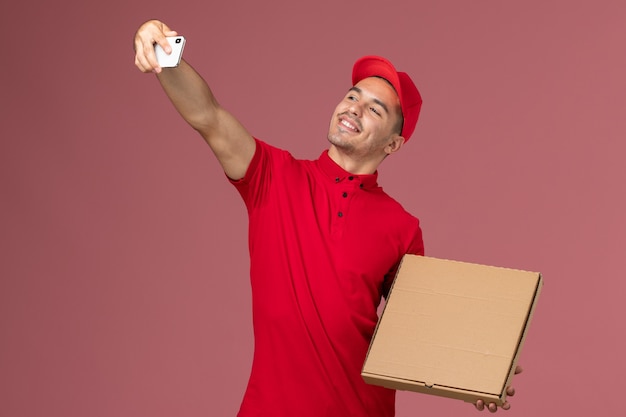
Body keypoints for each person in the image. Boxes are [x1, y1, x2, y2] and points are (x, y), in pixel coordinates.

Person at [133, 19, 520, 416]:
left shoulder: (402, 227)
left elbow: (420, 333)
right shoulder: (273, 175)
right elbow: (208, 117)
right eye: (353, 96)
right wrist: (165, 52)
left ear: (394, 142)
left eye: (374, 109)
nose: (354, 108)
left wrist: (479, 373)